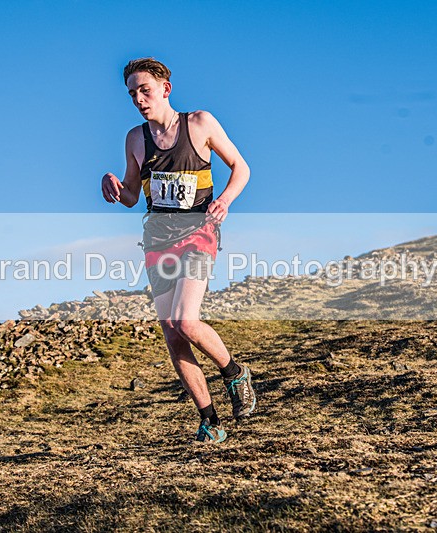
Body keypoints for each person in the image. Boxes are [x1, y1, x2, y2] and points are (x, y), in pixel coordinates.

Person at [101, 58, 255, 443]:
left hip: (198, 232)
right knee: (172, 333)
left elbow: (241, 167)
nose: (138, 99)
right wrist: (114, 186)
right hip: (157, 240)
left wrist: (225, 200)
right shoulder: (135, 139)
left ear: (165, 89)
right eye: (132, 93)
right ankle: (209, 419)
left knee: (186, 321)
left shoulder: (200, 123)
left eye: (145, 90)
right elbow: (133, 194)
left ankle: (235, 372)